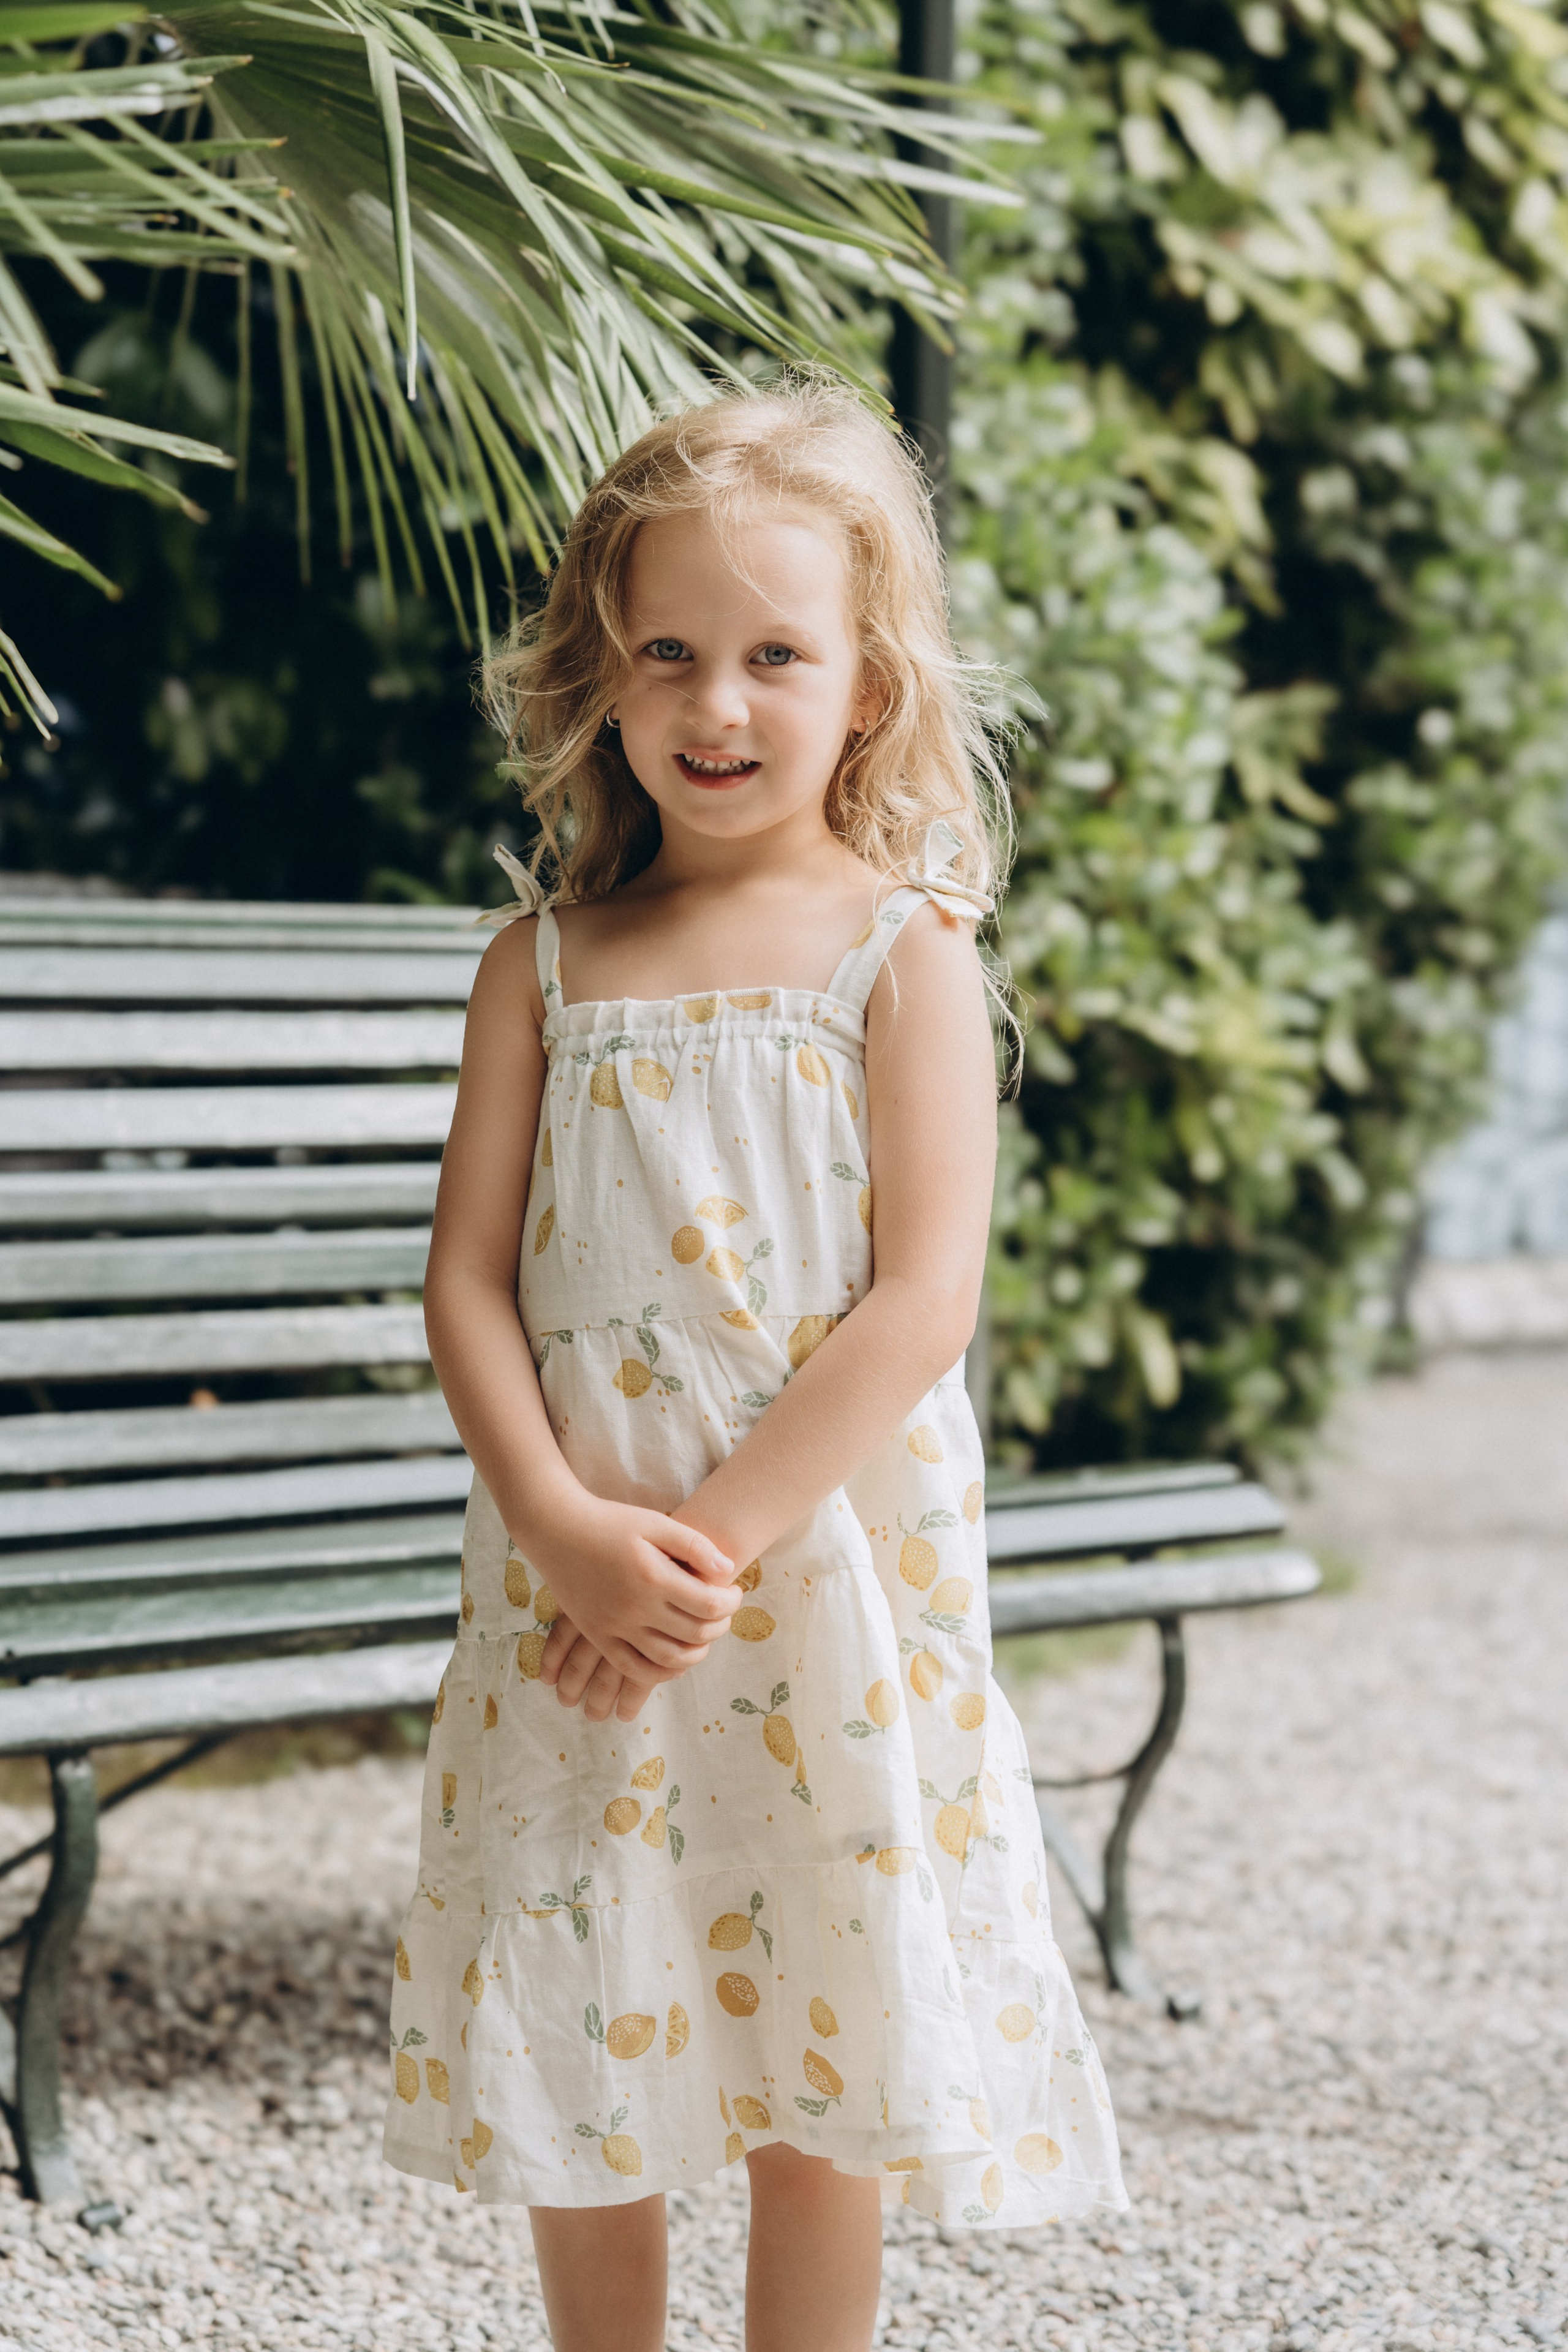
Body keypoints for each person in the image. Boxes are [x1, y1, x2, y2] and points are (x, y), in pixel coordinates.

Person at [383, 377, 1126, 2351]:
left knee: (825, 2007)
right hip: (573, 1589)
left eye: (775, 656)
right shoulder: (541, 961)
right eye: (669, 655)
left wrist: (690, 1557)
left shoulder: (906, 952)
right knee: (586, 1999)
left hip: (816, 1594)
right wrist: (570, 1531)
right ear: (601, 681)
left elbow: (924, 1295)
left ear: (868, 685)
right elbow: (465, 1280)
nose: (719, 706)